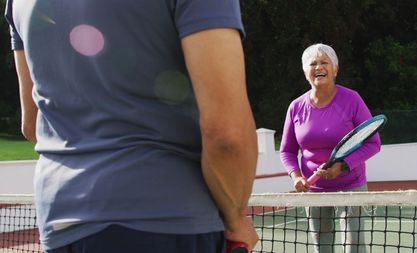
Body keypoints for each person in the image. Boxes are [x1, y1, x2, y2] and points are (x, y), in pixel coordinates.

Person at [5, 0, 259, 252]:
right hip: (169, 221)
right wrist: (235, 219)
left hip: (60, 223)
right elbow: (227, 135)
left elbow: (31, 124)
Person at [279, 43, 381, 253]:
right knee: (322, 248)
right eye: (313, 63)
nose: (319, 67)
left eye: (324, 62)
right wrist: (296, 177)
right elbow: (287, 151)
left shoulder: (352, 99)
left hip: (351, 187)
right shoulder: (296, 107)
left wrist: (343, 166)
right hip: (314, 191)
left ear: (335, 69)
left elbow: (373, 143)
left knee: (354, 248)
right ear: (305, 71)